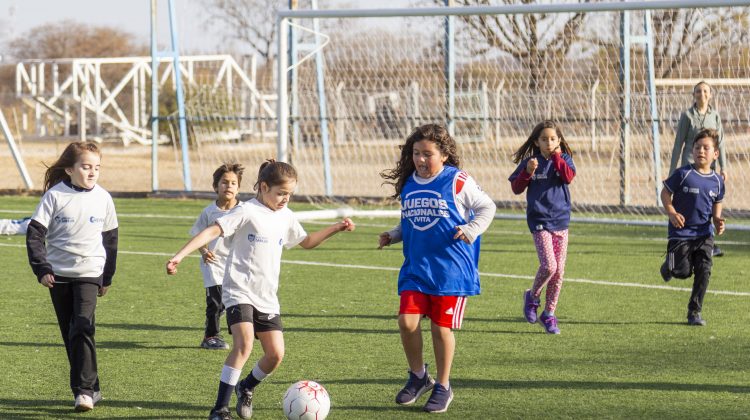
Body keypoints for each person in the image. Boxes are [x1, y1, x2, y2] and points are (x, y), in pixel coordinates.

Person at [166, 160, 355, 420]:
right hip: (239, 291)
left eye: (289, 194)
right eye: (281, 193)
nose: (285, 199)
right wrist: (180, 255)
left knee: (275, 355)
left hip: (266, 296)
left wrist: (337, 228)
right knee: (243, 346)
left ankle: (246, 387)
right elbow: (212, 230)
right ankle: (219, 409)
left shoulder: (285, 215)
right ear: (264, 187)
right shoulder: (246, 211)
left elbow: (307, 242)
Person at [378, 124, 496, 413]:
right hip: (417, 268)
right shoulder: (409, 183)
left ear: (444, 155)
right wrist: (394, 235)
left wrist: (470, 230)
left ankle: (443, 386)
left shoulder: (457, 180)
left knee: (441, 329)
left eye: (427, 154)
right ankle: (419, 377)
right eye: (416, 153)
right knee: (406, 322)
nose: (420, 159)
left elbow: (487, 207)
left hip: (451, 271)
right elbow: (413, 220)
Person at [25, 141, 118, 412]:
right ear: (69, 169)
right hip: (59, 276)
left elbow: (111, 241)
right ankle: (93, 386)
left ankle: (83, 392)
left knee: (82, 326)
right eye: (86, 167)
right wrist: (42, 268)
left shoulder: (103, 198)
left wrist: (107, 277)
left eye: (97, 167)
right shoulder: (54, 196)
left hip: (90, 273)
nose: (92, 172)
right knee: (72, 334)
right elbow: (35, 234)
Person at [509, 120, 576, 335]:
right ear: (537, 142)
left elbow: (568, 177)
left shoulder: (564, 159)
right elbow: (516, 188)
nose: (549, 142)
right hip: (539, 221)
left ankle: (548, 314)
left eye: (553, 139)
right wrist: (527, 172)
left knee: (559, 273)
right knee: (549, 266)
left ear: (559, 141)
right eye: (544, 139)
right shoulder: (531, 162)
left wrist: (557, 157)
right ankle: (533, 297)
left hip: (561, 221)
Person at [660, 128, 725, 326]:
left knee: (704, 270)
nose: (701, 151)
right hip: (681, 233)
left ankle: (694, 312)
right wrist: (671, 213)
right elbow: (665, 194)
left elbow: (717, 202)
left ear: (715, 154)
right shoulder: (683, 174)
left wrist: (717, 220)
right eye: (697, 147)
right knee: (682, 271)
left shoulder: (717, 181)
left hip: (704, 235)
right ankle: (669, 266)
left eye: (706, 148)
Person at [191, 163, 245, 350]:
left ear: (238, 187)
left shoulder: (244, 210)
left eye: (233, 183)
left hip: (237, 264)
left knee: (235, 300)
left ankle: (242, 330)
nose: (228, 186)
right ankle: (210, 336)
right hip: (213, 263)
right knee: (215, 300)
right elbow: (197, 235)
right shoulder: (208, 212)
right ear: (215, 186)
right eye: (224, 182)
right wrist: (204, 252)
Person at [669, 81, 727, 257]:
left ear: (710, 95)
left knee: (708, 204)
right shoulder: (687, 116)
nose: (702, 94)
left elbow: (721, 143)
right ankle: (683, 241)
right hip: (690, 164)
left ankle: (708, 242)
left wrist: (724, 166)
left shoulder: (715, 116)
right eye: (698, 91)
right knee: (690, 204)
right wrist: (673, 169)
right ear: (694, 94)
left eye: (705, 91)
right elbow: (679, 143)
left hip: (708, 168)